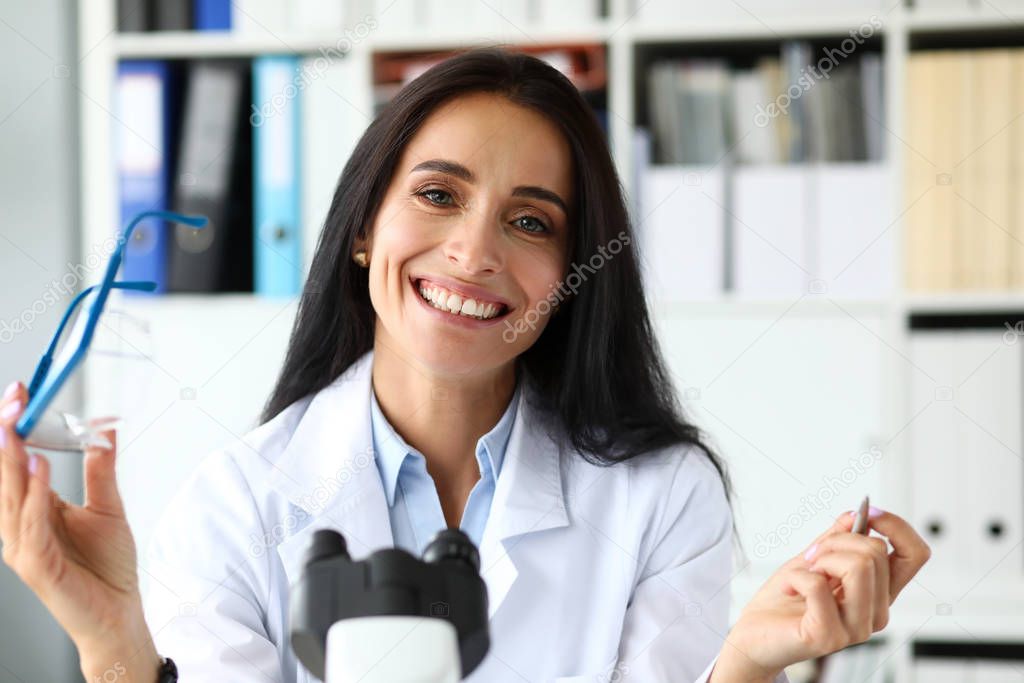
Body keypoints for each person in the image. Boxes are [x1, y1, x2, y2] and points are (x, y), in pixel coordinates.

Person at [0, 48, 930, 683]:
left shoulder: (662, 495)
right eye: (439, 194)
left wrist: (748, 664)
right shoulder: (236, 503)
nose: (473, 252)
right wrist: (114, 646)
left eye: (531, 221)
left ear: (571, 275)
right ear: (365, 229)